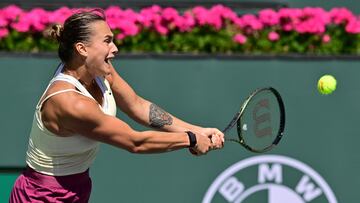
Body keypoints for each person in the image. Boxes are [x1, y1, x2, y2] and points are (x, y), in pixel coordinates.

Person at [9, 9, 224, 203]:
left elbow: (139, 106)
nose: (115, 48)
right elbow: (135, 142)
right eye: (107, 41)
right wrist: (190, 139)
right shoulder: (70, 103)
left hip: (77, 188)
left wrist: (197, 130)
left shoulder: (102, 71)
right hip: (41, 197)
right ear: (82, 49)